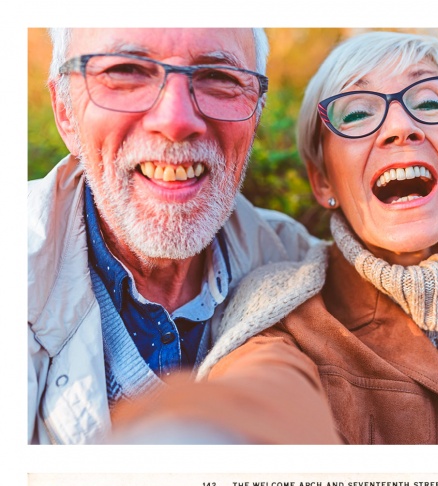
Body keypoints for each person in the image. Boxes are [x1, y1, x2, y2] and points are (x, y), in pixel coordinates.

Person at [196, 30, 438, 444]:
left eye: (429, 103)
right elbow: (258, 402)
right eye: (356, 114)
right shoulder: (279, 318)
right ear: (322, 181)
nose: (401, 127)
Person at [28, 27, 338, 444]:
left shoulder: (299, 266)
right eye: (126, 72)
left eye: (219, 78)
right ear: (65, 111)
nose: (175, 121)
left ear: (256, 112)